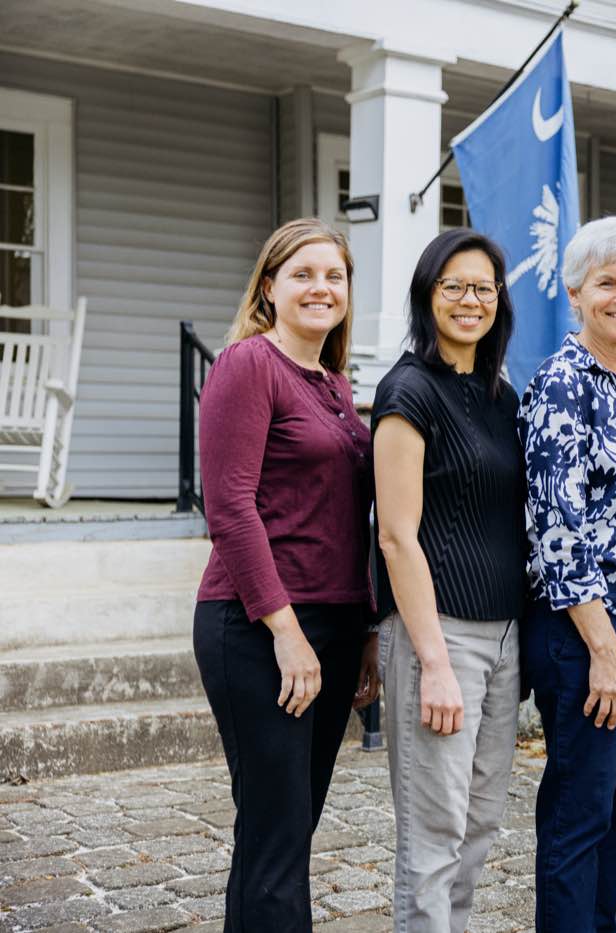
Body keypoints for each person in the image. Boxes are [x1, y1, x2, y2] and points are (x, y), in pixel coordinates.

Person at [192, 218, 377, 933]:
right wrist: (286, 630)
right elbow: (230, 508)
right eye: (303, 273)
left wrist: (361, 630)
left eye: (334, 275)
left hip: (330, 624)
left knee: (288, 829)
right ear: (269, 287)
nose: (320, 287)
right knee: (276, 831)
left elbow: (345, 517)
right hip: (257, 626)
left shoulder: (334, 383)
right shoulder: (247, 365)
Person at [518, 216, 616, 933]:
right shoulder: (561, 383)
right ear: (576, 291)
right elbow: (556, 531)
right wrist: (606, 651)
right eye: (606, 282)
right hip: (589, 635)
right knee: (579, 809)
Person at [372, 229, 525, 932]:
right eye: (454, 286)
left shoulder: (501, 396)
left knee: (479, 825)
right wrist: (432, 660)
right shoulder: (408, 391)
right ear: (427, 295)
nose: (470, 300)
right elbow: (397, 535)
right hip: (440, 636)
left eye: (483, 287)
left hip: (502, 637)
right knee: (433, 837)